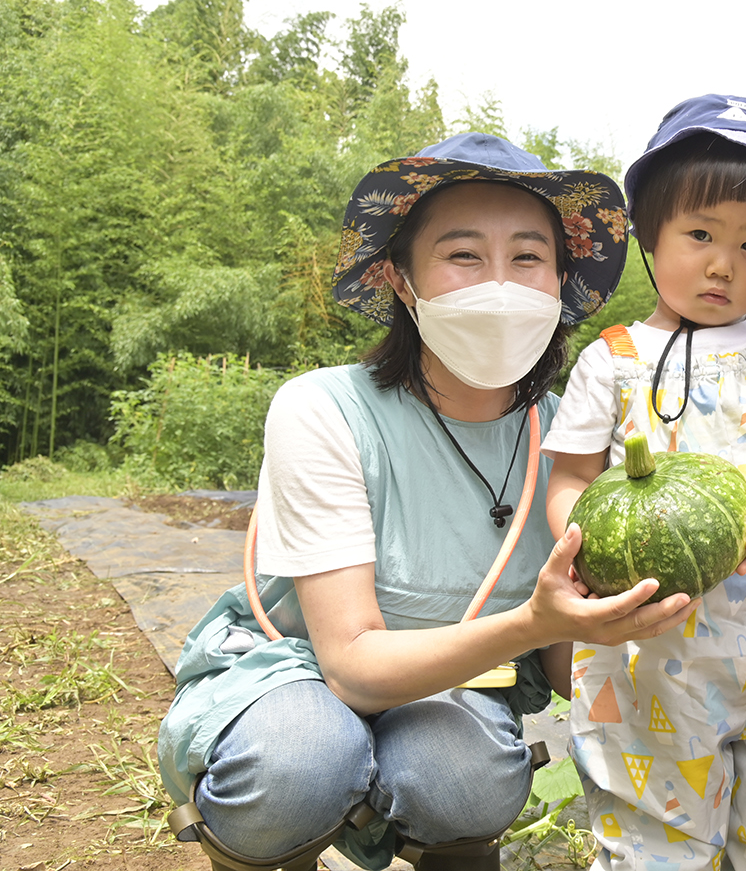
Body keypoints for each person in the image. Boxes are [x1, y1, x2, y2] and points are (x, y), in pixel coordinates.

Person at [157, 133, 699, 871]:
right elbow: (349, 665)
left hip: (458, 691)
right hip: (304, 675)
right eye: (464, 255)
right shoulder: (323, 409)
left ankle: (439, 839)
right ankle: (265, 840)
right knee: (301, 758)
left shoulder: (575, 437)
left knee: (468, 779)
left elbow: (566, 651)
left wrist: (659, 607)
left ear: (561, 284)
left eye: (529, 258)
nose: (499, 285)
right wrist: (532, 621)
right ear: (400, 280)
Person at [543, 95, 746, 871]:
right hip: (652, 656)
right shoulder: (612, 361)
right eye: (699, 235)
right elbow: (570, 482)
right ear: (650, 235)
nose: (724, 264)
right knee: (655, 837)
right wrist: (587, 556)